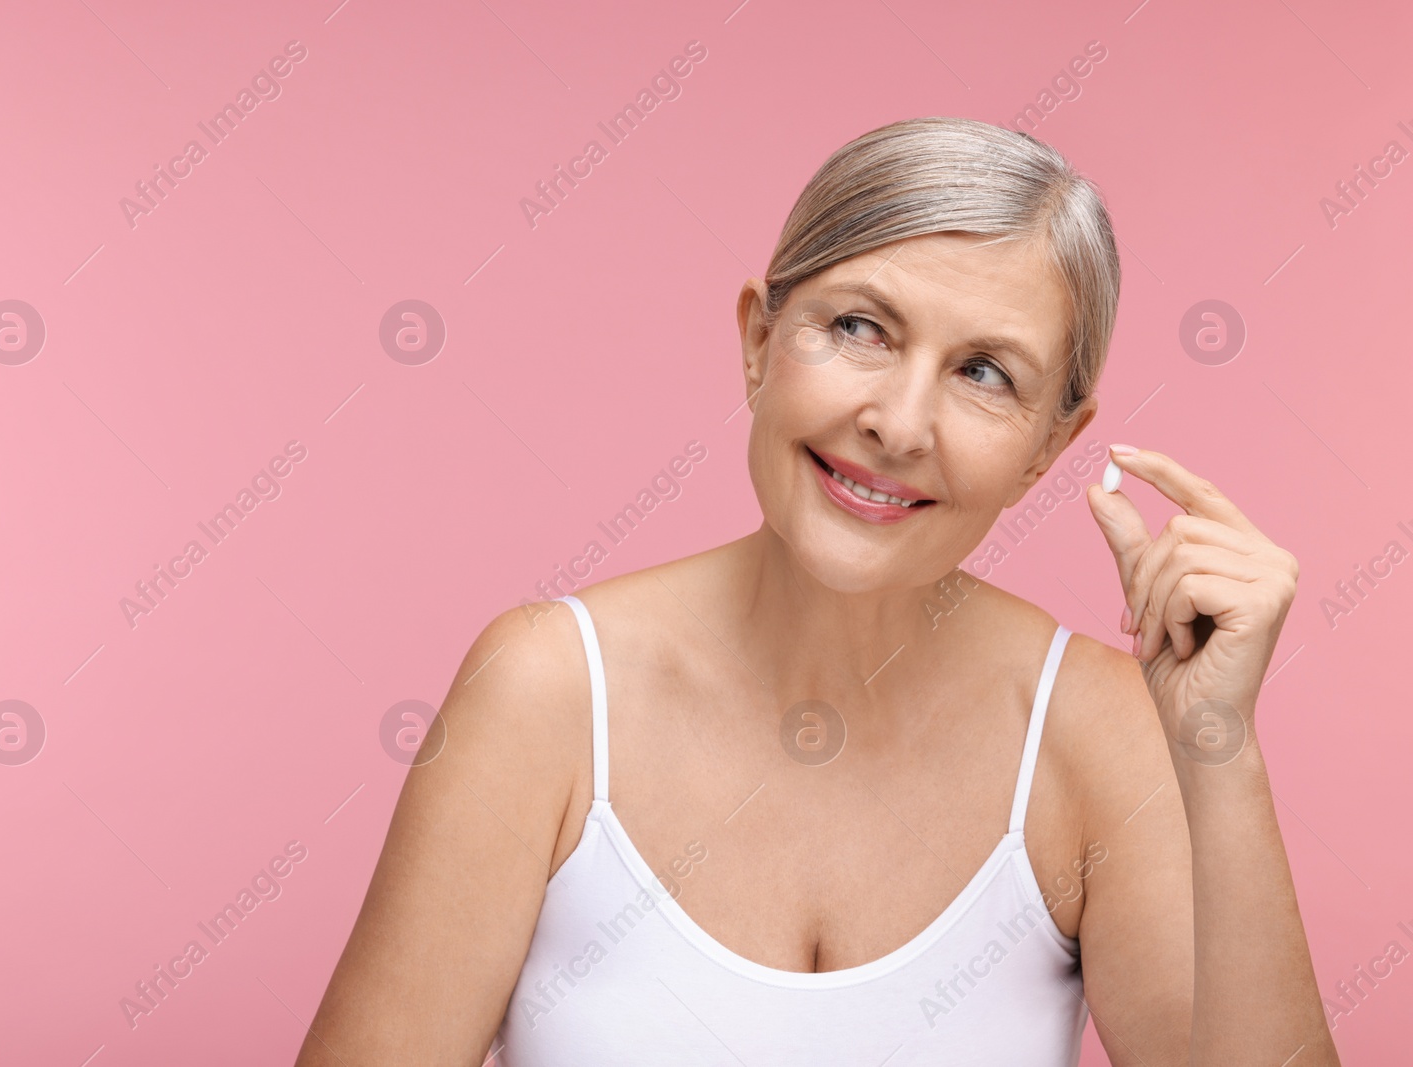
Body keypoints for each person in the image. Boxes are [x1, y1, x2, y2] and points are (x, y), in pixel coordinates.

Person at [295, 116, 1341, 1065]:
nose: (898, 421)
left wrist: (1219, 748)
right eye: (859, 328)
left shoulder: (1095, 733)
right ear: (758, 341)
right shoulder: (545, 690)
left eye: (985, 373)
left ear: (1047, 448)